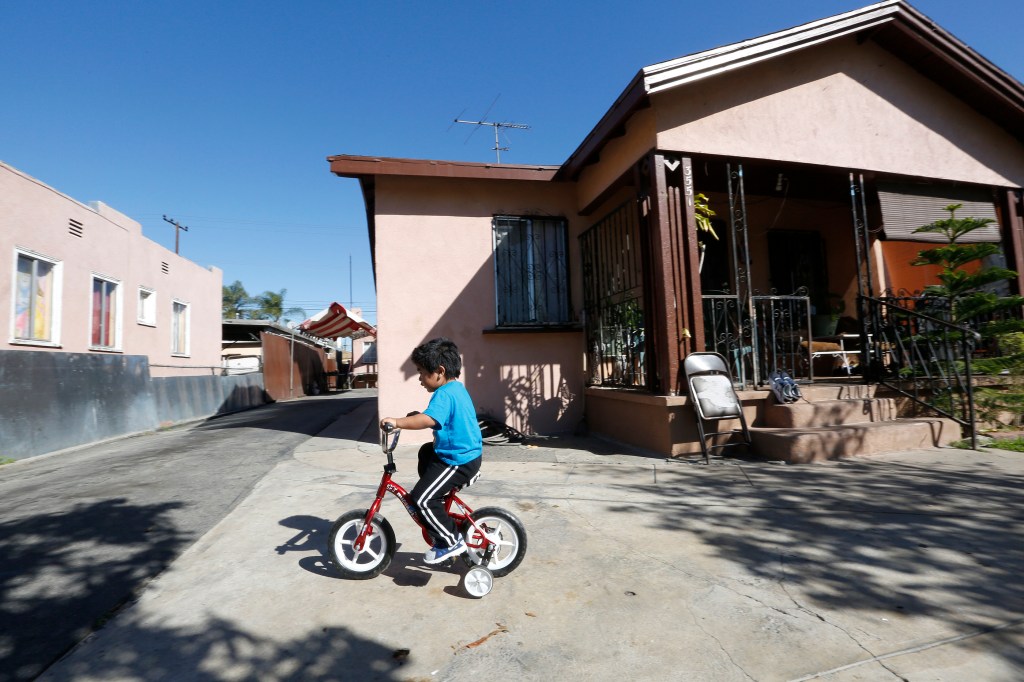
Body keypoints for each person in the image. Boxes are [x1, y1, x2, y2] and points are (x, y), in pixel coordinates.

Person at [380, 337, 482, 564]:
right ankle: (436, 496)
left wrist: (396, 422)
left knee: (421, 499)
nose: (419, 378)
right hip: (460, 455)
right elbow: (435, 418)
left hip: (459, 462)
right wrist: (417, 416)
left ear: (439, 371)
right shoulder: (455, 389)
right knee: (426, 452)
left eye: (421, 372)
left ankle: (450, 542)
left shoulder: (444, 394)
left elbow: (428, 419)